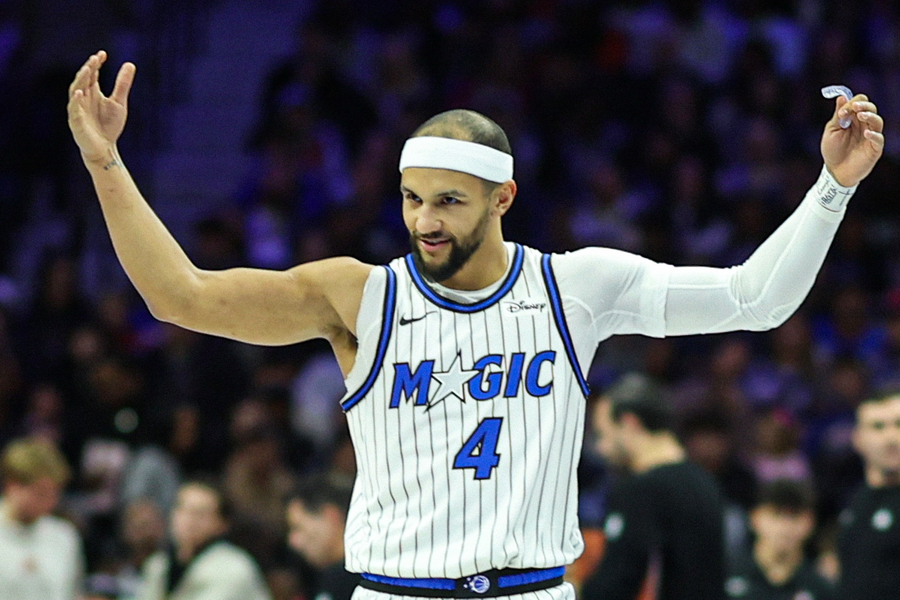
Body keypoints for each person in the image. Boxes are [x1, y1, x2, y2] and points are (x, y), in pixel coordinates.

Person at [67, 49, 884, 600]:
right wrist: (106, 161)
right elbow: (180, 296)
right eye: (411, 198)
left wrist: (832, 188)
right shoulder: (357, 296)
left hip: (532, 590)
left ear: (503, 199)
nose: (424, 220)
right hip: (394, 592)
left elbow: (755, 299)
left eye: (449, 202)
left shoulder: (574, 286)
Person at [583, 373, 725, 600]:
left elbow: (618, 581)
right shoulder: (704, 481)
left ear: (629, 423)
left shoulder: (642, 489)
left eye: (603, 434)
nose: (600, 448)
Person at [137, 480, 271, 600]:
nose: (189, 520)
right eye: (182, 509)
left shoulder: (234, 568)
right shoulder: (158, 565)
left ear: (222, 524)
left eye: (200, 514)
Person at [0, 437, 85, 600]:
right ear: (13, 486)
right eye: (40, 493)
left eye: (54, 494)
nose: (49, 503)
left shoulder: (64, 536)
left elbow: (73, 593)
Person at [837, 391, 900, 600]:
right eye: (878, 426)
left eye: (899, 424)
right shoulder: (854, 502)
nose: (891, 438)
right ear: (858, 439)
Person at [726, 479, 835, 600]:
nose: (785, 526)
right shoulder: (726, 577)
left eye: (794, 516)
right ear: (755, 518)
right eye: (776, 514)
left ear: (810, 522)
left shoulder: (821, 590)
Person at [286, 472, 360, 600]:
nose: (293, 541)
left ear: (331, 516)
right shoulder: (322, 577)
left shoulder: (360, 578)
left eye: (298, 528)